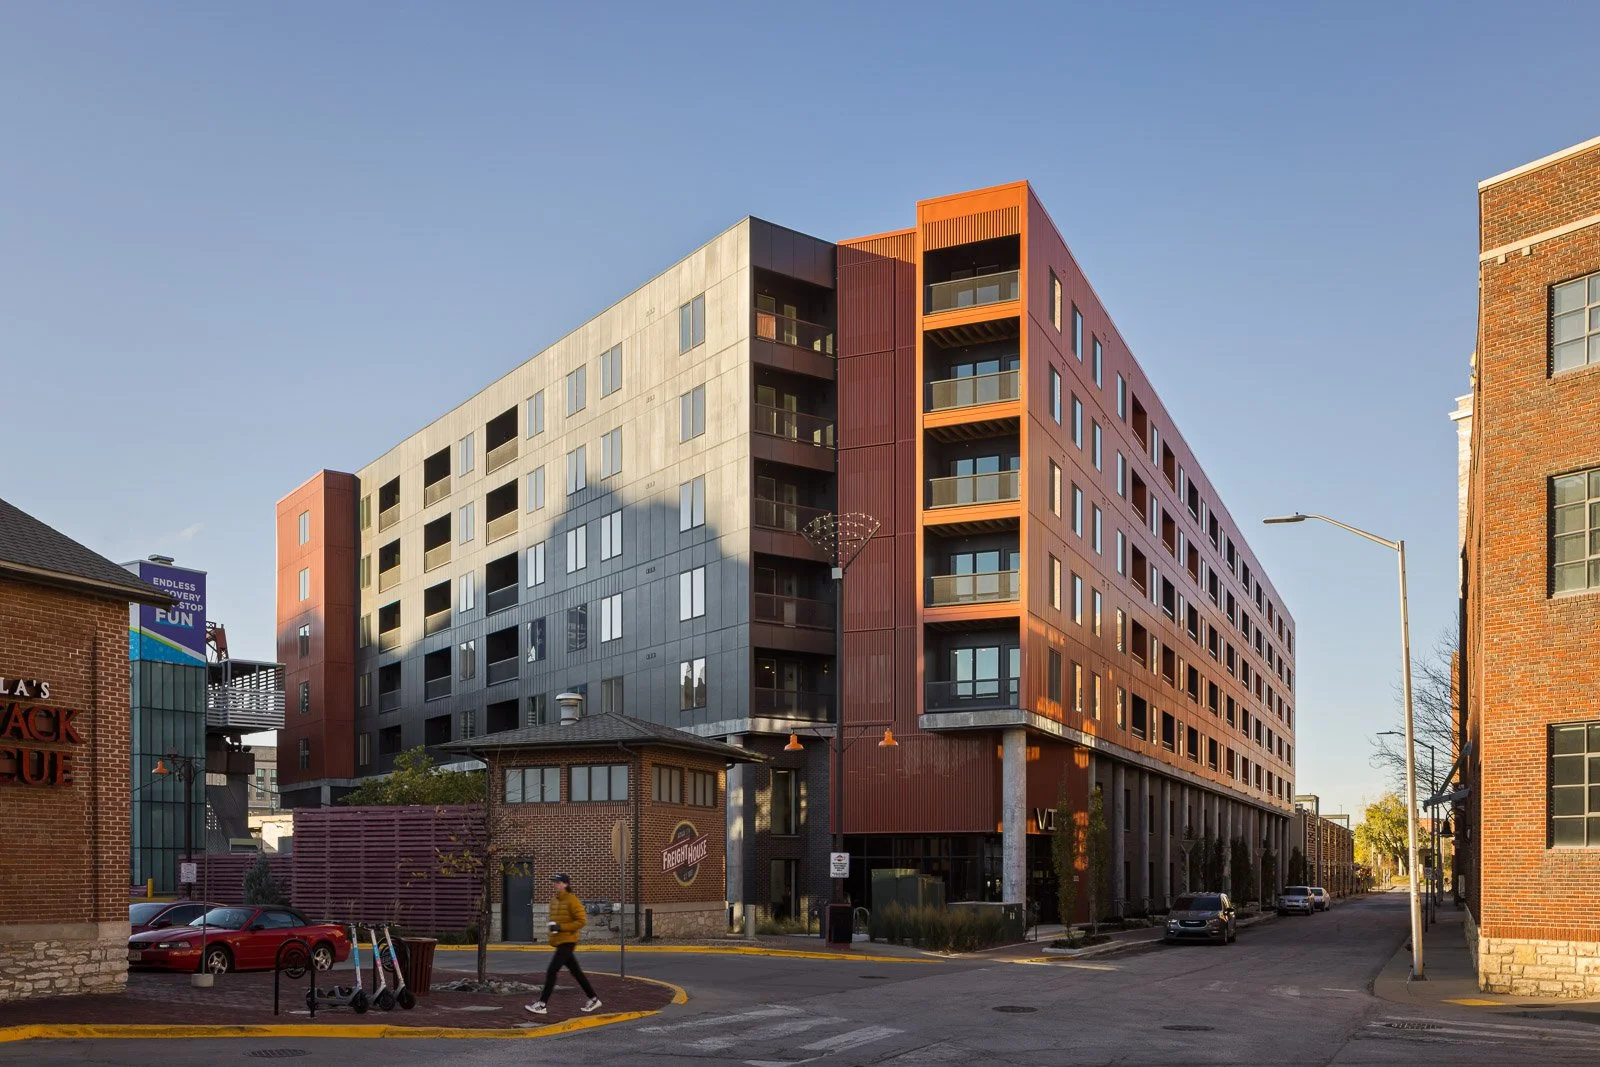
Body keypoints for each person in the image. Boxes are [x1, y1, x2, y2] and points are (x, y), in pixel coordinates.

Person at [525, 873, 601, 1015]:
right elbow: (555, 920)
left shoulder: (572, 900)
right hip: (560, 941)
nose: (555, 884)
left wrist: (561, 927)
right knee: (576, 972)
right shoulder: (554, 900)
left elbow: (581, 920)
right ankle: (594, 998)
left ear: (566, 884)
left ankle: (542, 1004)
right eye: (554, 882)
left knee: (552, 970)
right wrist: (553, 930)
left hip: (568, 941)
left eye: (558, 882)